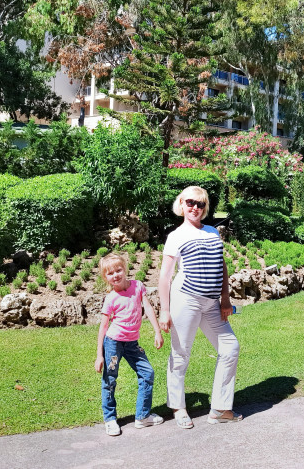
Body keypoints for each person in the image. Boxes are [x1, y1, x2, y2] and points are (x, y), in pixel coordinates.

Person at [158, 186, 241, 429]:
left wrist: (225, 299)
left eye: (200, 204)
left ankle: (220, 409)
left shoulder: (212, 232)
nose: (195, 207)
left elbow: (221, 266)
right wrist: (165, 310)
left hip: (212, 303)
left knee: (230, 348)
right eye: (190, 203)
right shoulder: (176, 236)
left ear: (205, 208)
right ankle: (178, 407)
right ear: (181, 204)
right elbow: (165, 277)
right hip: (186, 299)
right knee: (181, 353)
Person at [95, 252, 164, 436]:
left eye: (118, 270)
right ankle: (110, 419)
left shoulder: (138, 286)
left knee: (147, 373)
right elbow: (103, 327)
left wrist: (157, 331)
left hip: (132, 344)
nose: (115, 275)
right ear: (105, 277)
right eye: (110, 273)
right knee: (110, 379)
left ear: (125, 269)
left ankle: (142, 417)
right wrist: (99, 355)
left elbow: (147, 307)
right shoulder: (111, 298)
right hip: (113, 343)